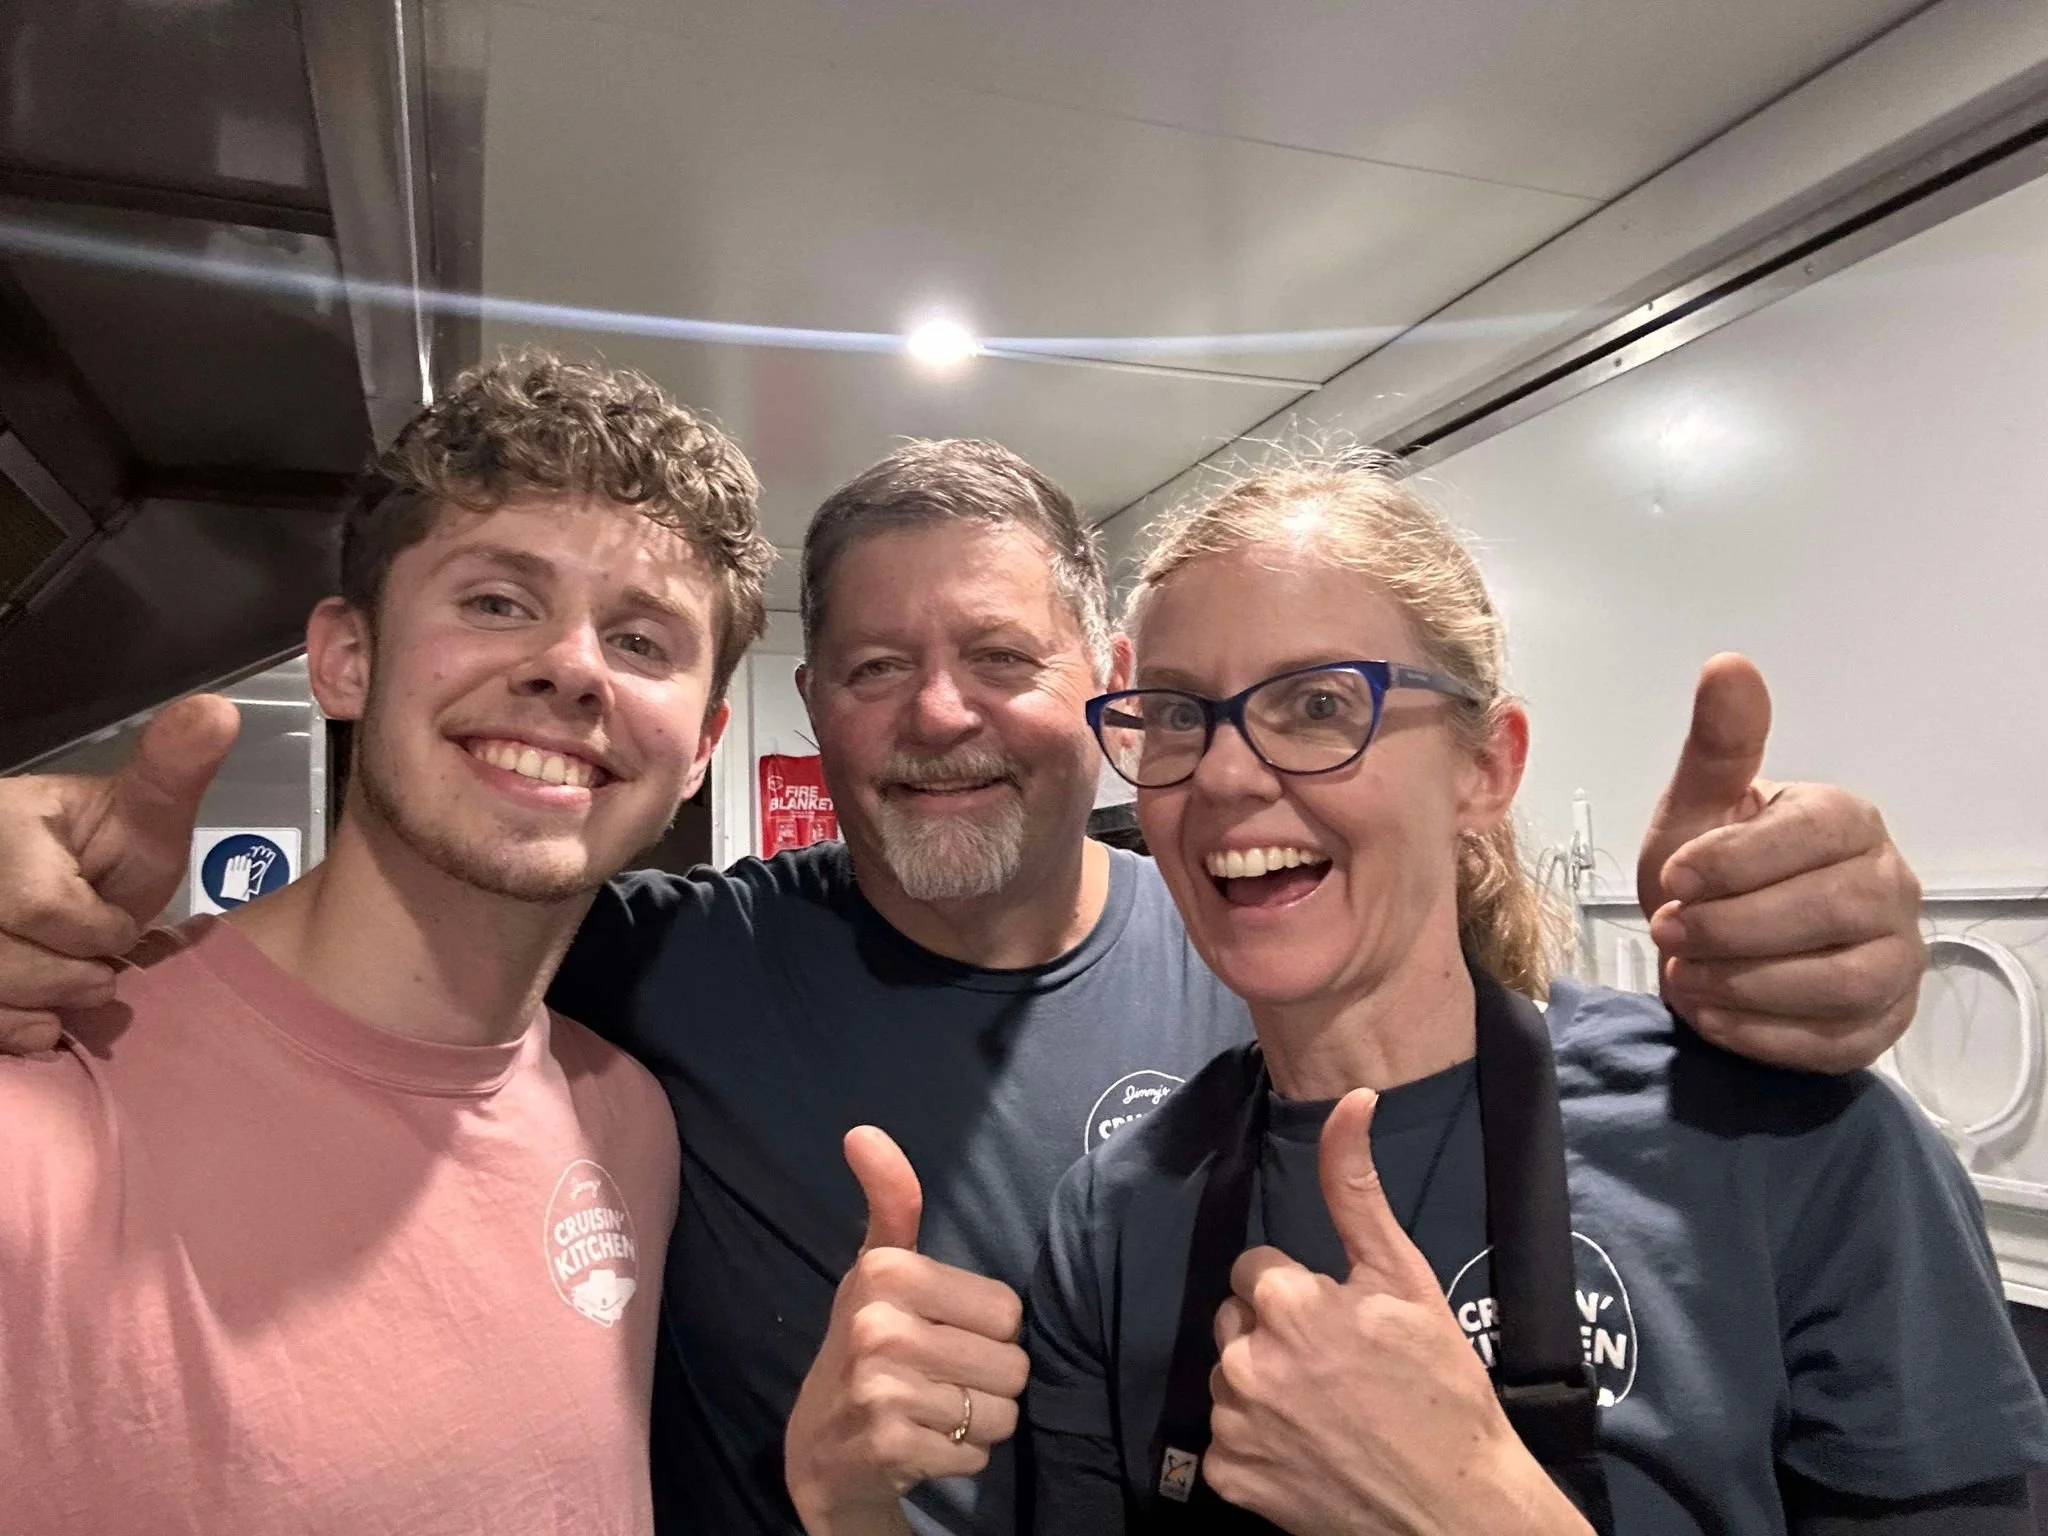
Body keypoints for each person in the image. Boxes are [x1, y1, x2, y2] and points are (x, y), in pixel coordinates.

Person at [0, 440, 1930, 1536]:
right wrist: (36, 859)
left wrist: (1794, 946)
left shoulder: (1278, 961)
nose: (937, 717)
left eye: (1000, 658)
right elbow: (417, 918)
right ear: (775, 729)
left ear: (1090, 692)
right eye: (866, 669)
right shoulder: (671, 977)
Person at [1024, 455, 2047, 1533]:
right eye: (1177, 716)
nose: (1224, 775)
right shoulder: (1112, 1215)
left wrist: (1464, 1507)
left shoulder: (1788, 1147)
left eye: (1318, 704)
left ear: (1485, 769)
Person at [0, 353, 773, 1534]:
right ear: (345, 658)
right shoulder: (48, 1096)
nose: (570, 668)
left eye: (642, 641)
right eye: (497, 600)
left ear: (703, 743)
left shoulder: (628, 1120)